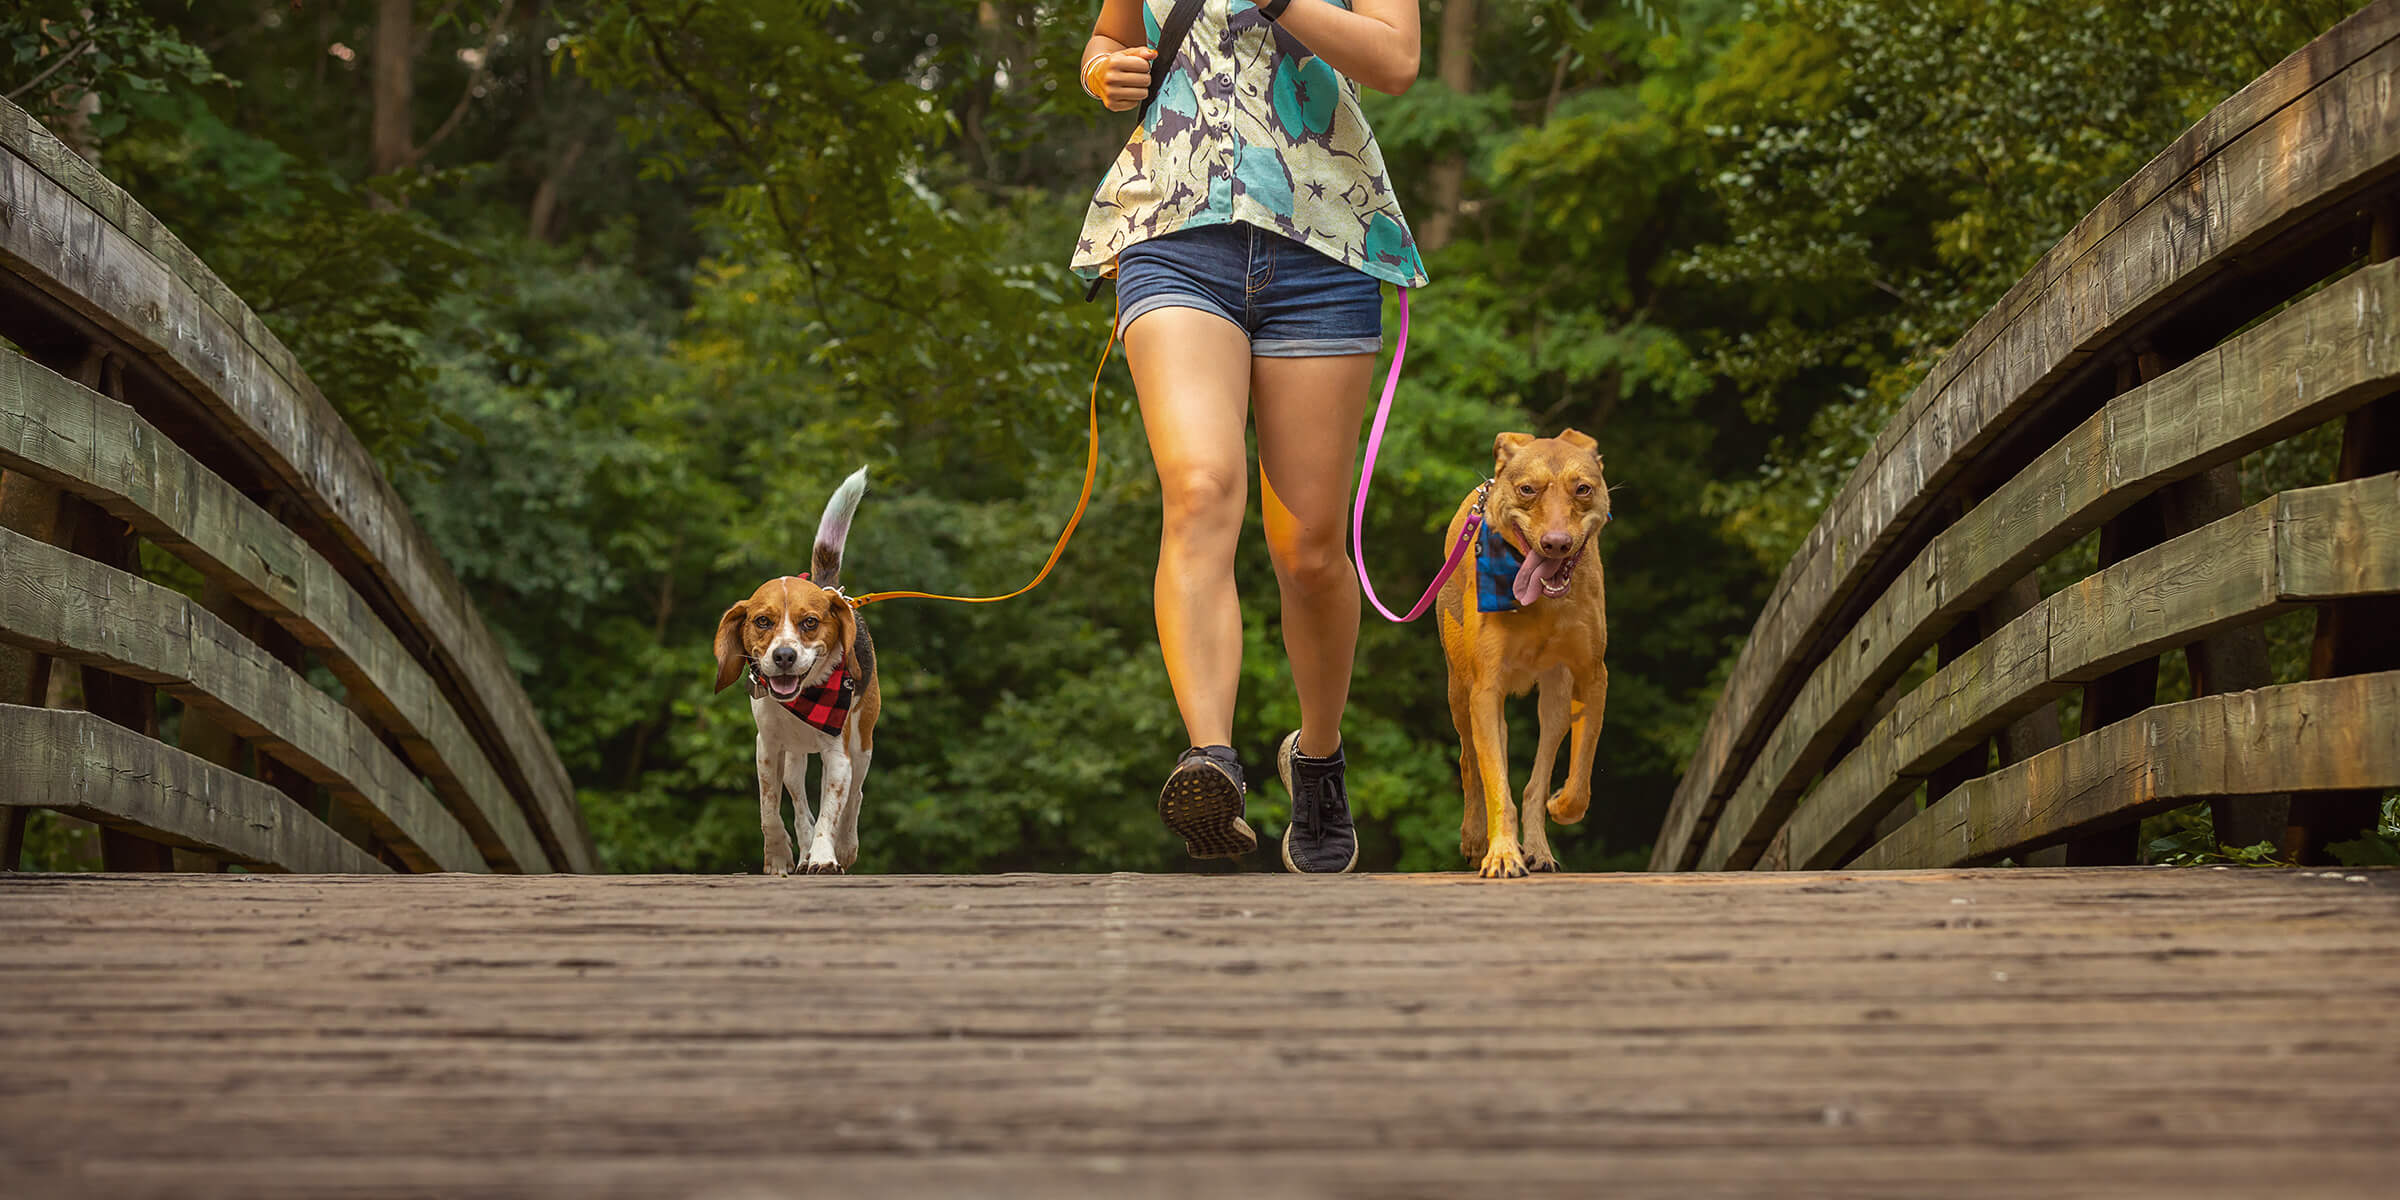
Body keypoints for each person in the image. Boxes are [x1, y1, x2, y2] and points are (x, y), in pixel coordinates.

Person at [1073, 0, 1426, 873]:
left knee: (1308, 552)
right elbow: (1110, 39)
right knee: (1200, 489)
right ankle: (1212, 761)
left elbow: (1396, 62)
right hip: (1172, 232)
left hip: (1323, 239)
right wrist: (1102, 71)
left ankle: (1318, 758)